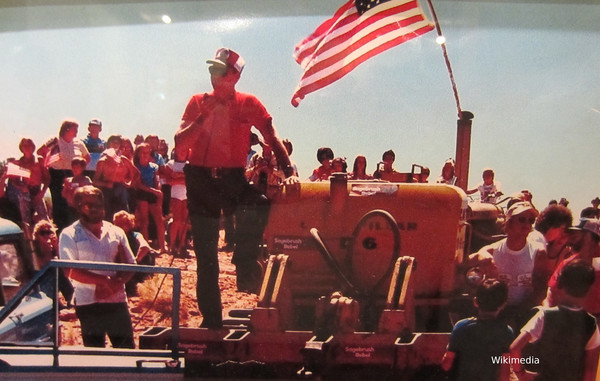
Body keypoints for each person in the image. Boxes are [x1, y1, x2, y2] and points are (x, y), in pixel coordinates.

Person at [174, 47, 296, 328]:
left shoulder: (248, 103)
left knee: (259, 204)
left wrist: (288, 171)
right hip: (200, 179)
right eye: (211, 69)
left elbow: (271, 137)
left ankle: (244, 264)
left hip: (231, 177)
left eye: (219, 70)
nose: (213, 75)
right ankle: (212, 321)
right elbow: (180, 146)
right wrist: (202, 118)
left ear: (234, 75)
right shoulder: (197, 102)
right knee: (206, 258)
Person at [59, 185, 136, 348]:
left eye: (99, 205)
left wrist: (115, 284)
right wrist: (103, 281)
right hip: (88, 303)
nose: (95, 209)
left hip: (116, 301)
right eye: (89, 205)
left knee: (127, 350)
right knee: (95, 354)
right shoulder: (69, 234)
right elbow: (69, 270)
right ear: (78, 206)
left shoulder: (117, 232)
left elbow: (131, 264)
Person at [510, 259, 600, 381]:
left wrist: (521, 374)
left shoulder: (544, 315)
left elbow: (515, 348)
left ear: (561, 285)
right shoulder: (591, 323)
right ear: (588, 289)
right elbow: (590, 370)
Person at [469, 201, 546, 329]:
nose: (527, 224)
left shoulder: (539, 253)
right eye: (521, 219)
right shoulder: (494, 250)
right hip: (496, 311)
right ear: (509, 222)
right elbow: (464, 261)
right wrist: (480, 254)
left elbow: (541, 290)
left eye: (531, 220)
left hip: (526, 311)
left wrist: (518, 314)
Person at [441, 278, 513, 381]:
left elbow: (446, 365)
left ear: (475, 302)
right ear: (503, 305)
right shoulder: (506, 332)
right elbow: (505, 372)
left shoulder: (461, 326)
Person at [38, 120, 91, 231]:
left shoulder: (79, 143)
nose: (76, 132)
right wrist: (49, 158)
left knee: (74, 201)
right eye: (74, 129)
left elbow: (87, 157)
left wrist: (80, 167)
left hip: (73, 173)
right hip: (57, 174)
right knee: (59, 201)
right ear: (66, 129)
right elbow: (40, 152)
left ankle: (77, 227)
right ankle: (60, 228)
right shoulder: (55, 141)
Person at [543, 218, 600, 318]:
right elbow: (551, 292)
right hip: (569, 320)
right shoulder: (568, 263)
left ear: (590, 237)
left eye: (577, 233)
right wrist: (548, 315)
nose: (572, 237)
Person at [5, 138, 50, 230]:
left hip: (37, 191)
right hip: (25, 192)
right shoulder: (20, 162)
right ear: (21, 148)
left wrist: (42, 192)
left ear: (33, 147)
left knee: (44, 219)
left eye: (29, 145)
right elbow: (14, 180)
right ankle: (29, 241)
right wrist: (21, 187)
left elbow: (47, 178)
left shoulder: (39, 160)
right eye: (24, 145)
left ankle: (48, 238)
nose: (27, 148)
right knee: (26, 221)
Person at [93, 135, 139, 219]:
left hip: (121, 190)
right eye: (112, 142)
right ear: (108, 144)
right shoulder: (102, 161)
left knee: (123, 216)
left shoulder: (123, 160)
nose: (115, 144)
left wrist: (130, 183)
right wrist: (106, 184)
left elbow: (136, 173)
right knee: (108, 216)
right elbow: (95, 181)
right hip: (107, 191)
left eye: (117, 143)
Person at [529, 205, 574, 289]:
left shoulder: (560, 248)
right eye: (562, 229)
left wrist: (557, 248)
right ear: (551, 226)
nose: (563, 233)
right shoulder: (535, 239)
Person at [32, 219, 74, 307]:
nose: (46, 235)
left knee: (61, 272)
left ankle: (70, 298)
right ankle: (55, 303)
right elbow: (42, 265)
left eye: (49, 232)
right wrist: (47, 247)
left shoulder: (54, 246)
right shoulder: (35, 248)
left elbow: (63, 262)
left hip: (54, 275)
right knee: (54, 274)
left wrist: (56, 247)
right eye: (43, 233)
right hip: (41, 277)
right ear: (37, 235)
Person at [112, 210, 154, 297]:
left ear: (129, 224)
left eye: (122, 224)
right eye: (117, 224)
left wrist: (134, 262)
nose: (119, 227)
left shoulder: (136, 235)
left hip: (135, 267)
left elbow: (145, 247)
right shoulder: (113, 236)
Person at [133, 143, 165, 252]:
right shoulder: (136, 167)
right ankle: (146, 246)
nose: (145, 155)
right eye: (143, 152)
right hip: (142, 193)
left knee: (159, 220)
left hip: (153, 193)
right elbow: (138, 184)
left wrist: (158, 191)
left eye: (147, 152)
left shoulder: (154, 166)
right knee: (144, 221)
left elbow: (157, 180)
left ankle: (163, 247)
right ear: (138, 154)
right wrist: (154, 191)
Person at [165, 145, 189, 258]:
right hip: (176, 195)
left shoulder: (189, 164)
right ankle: (172, 244)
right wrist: (184, 178)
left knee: (184, 221)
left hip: (186, 195)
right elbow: (169, 180)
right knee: (176, 220)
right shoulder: (171, 164)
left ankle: (182, 244)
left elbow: (191, 180)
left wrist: (178, 176)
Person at [61, 157, 92, 225]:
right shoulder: (68, 180)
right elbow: (63, 194)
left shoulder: (86, 179)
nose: (75, 169)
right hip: (71, 207)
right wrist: (67, 188)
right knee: (72, 223)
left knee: (84, 223)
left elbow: (90, 193)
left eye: (77, 167)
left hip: (83, 207)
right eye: (73, 167)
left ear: (82, 168)